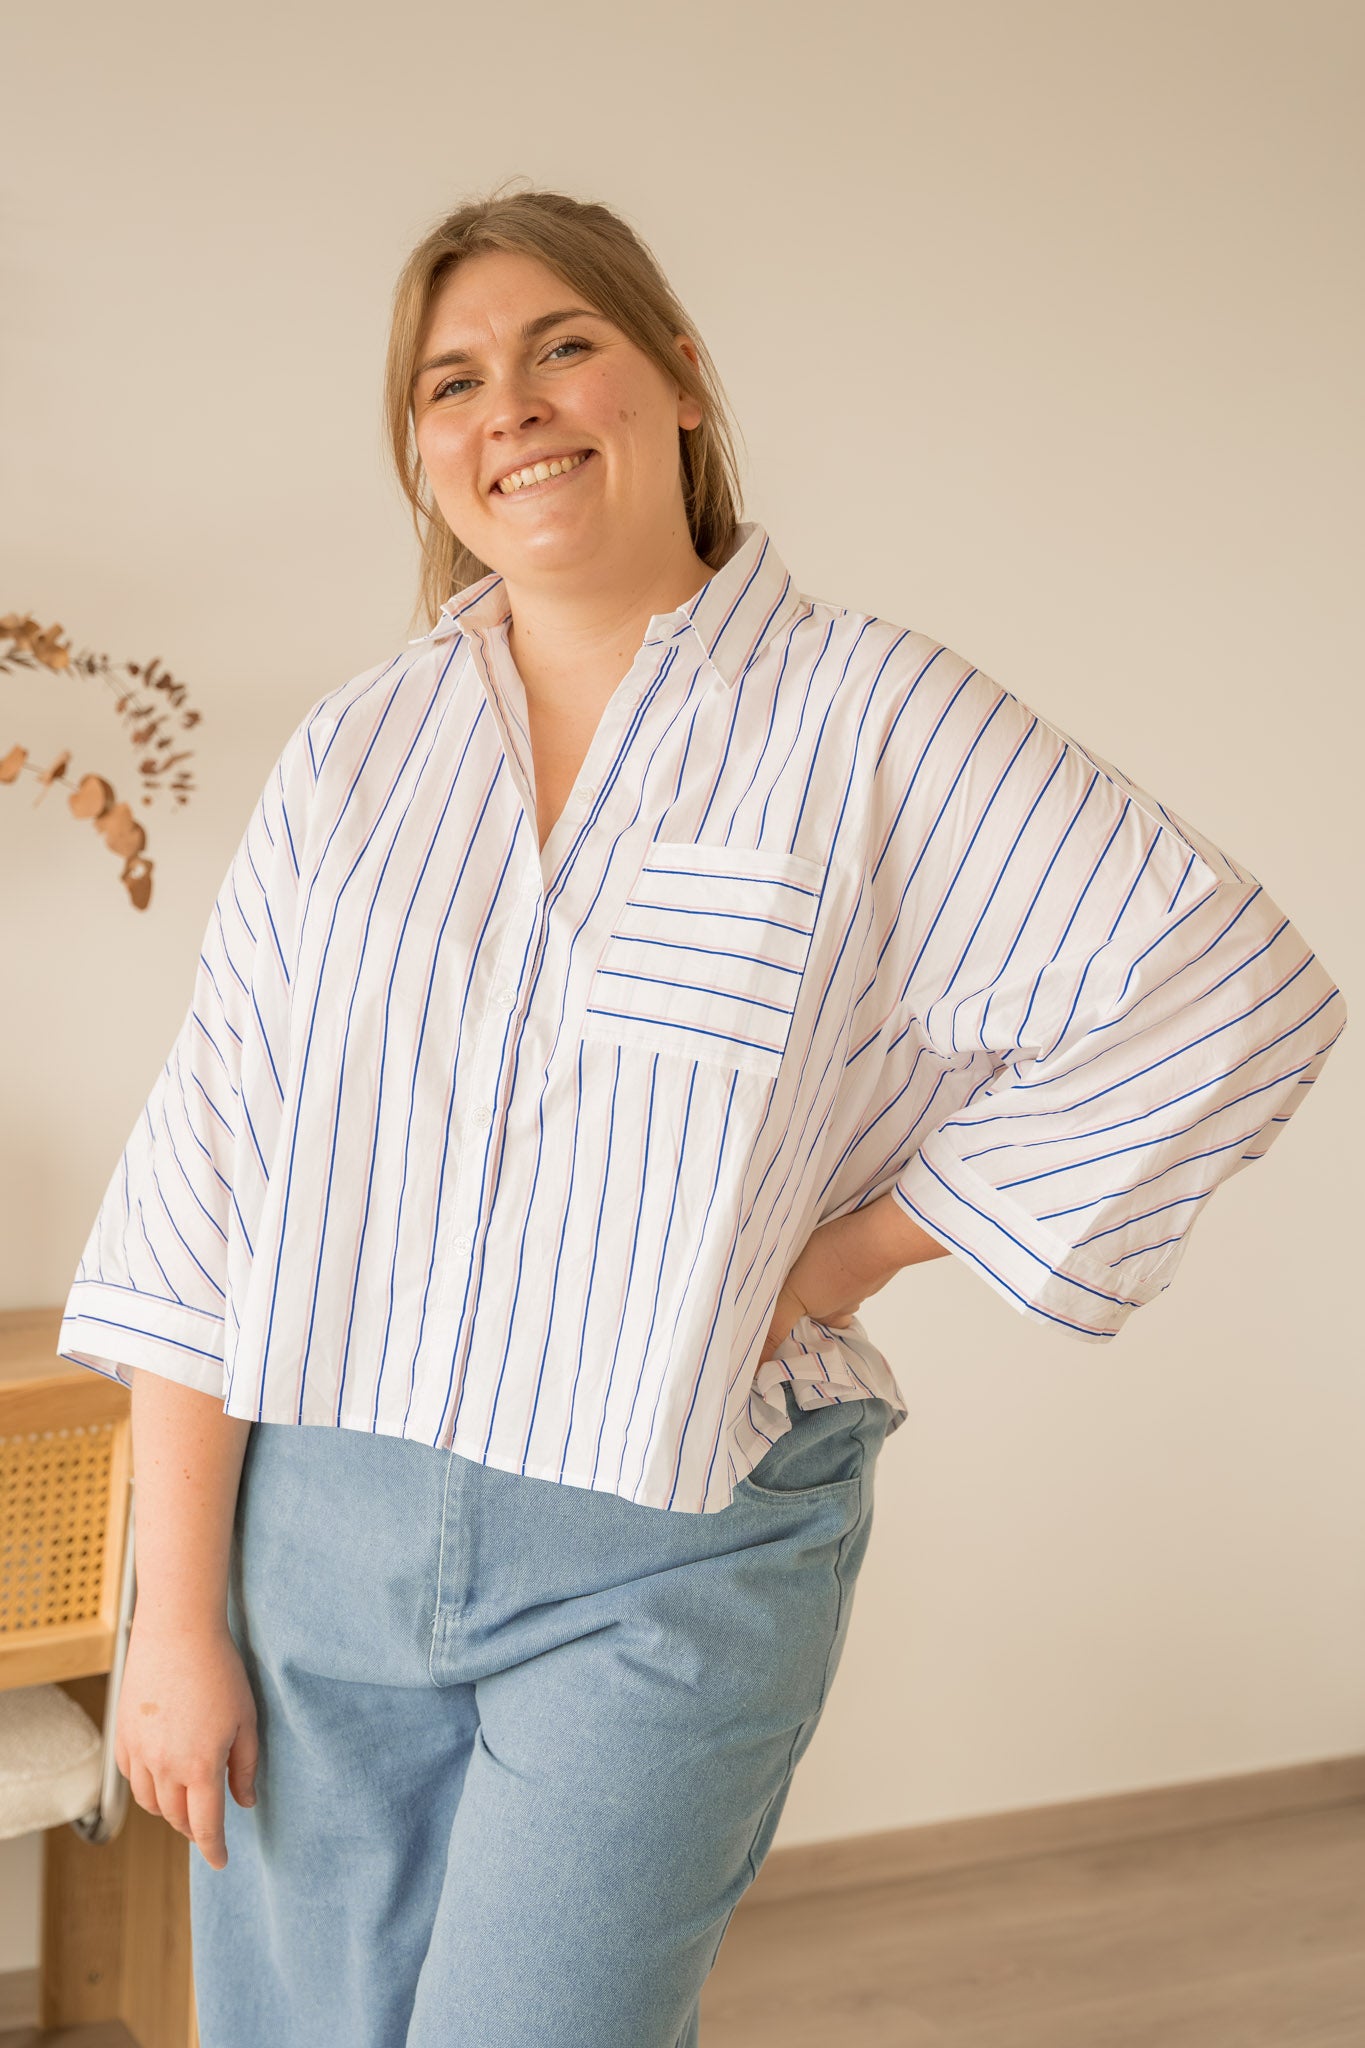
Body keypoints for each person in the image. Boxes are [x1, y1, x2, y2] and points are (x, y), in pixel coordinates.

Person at [57, 184, 1346, 2048]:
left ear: (677, 378)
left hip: (661, 1554)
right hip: (312, 1543)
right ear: (421, 456)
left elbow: (1224, 989)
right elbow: (207, 1181)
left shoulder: (868, 716)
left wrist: (846, 1257)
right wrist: (171, 1624)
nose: (509, 405)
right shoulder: (352, 754)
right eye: (451, 381)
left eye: (560, 344)